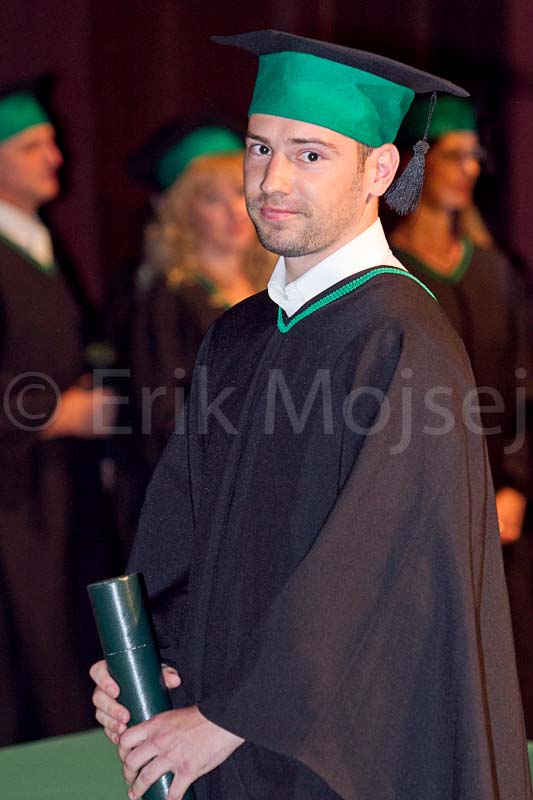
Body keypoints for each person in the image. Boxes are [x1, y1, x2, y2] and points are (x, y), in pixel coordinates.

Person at [90, 31, 532, 800]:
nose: (272, 180)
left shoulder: (401, 340)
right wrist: (147, 659)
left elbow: (375, 575)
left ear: (379, 170)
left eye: (310, 154)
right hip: (224, 738)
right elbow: (185, 529)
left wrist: (227, 719)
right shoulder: (239, 335)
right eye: (259, 148)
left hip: (348, 755)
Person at [388, 94, 533, 734]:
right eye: (454, 155)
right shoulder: (386, 276)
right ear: (414, 165)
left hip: (501, 514)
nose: (470, 169)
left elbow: (525, 389)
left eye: (476, 156)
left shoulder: (497, 273)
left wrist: (515, 486)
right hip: (415, 511)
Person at [0, 81, 116, 744]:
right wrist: (55, 413)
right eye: (31, 145)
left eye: (52, 141)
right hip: (13, 503)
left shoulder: (37, 242)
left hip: (57, 492)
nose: (55, 157)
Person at [112, 122, 273, 551]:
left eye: (239, 192)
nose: (234, 211)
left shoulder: (277, 286)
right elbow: (160, 415)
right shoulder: (169, 298)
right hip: (209, 508)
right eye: (212, 199)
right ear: (184, 211)